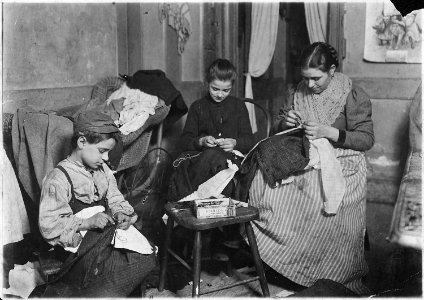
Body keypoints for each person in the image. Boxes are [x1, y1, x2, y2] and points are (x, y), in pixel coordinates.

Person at [248, 42, 374, 295]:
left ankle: (328, 273)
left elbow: (366, 139)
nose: (310, 85)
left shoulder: (351, 93)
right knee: (267, 184)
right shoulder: (299, 91)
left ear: (332, 70)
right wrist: (286, 121)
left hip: (342, 159)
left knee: (316, 194)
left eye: (317, 78)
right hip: (305, 155)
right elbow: (278, 132)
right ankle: (286, 265)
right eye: (306, 79)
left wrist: (330, 132)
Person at [38, 111, 156, 297]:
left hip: (102, 236)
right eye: (102, 151)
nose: (107, 158)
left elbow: (115, 198)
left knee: (147, 256)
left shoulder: (103, 170)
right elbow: (49, 227)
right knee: (122, 263)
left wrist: (121, 214)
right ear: (82, 142)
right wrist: (87, 223)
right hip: (76, 246)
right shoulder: (58, 178)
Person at [169, 58, 254, 202]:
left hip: (229, 160)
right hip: (201, 159)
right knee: (206, 160)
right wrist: (201, 141)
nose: (220, 94)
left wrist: (235, 142)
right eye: (215, 89)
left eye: (226, 90)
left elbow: (250, 140)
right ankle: (193, 207)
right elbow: (184, 141)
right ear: (207, 83)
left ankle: (195, 205)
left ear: (232, 87)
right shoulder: (198, 107)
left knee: (221, 166)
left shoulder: (238, 106)